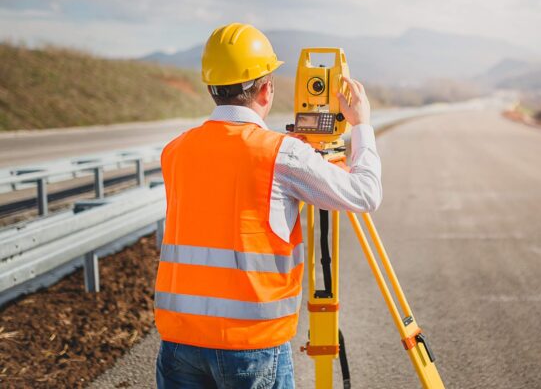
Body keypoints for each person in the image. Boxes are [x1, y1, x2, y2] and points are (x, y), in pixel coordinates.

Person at [154, 23, 381, 389]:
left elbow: (227, 189)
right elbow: (365, 193)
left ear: (212, 87)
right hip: (250, 345)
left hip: (180, 342)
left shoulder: (176, 150)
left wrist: (290, 150)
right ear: (266, 88)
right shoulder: (281, 154)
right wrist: (361, 125)